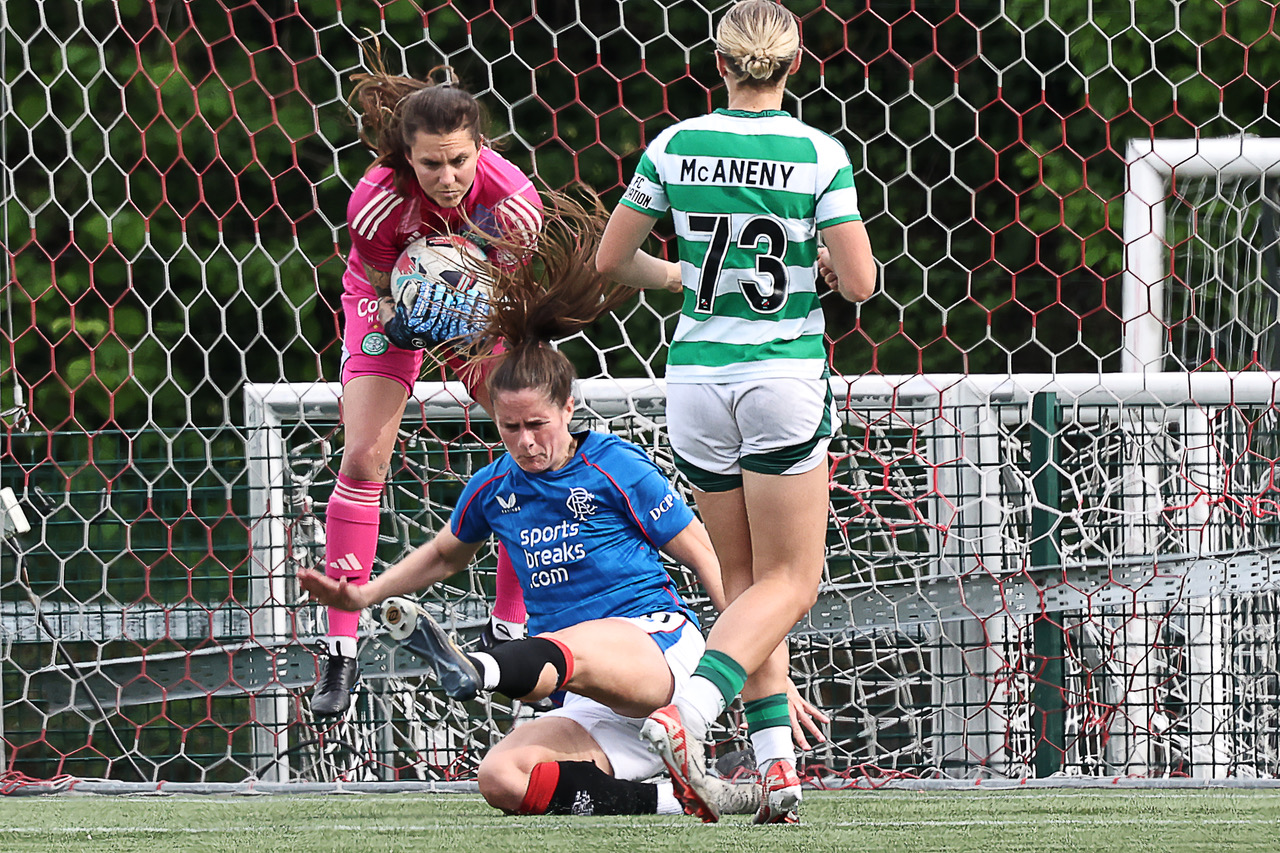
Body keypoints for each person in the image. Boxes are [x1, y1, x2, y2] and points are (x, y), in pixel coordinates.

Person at [298, 194, 768, 819]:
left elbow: (708, 560)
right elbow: (443, 555)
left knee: (569, 648)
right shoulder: (494, 486)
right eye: (509, 427)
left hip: (654, 652)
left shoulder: (614, 464)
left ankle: (479, 669)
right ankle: (679, 799)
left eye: (537, 424)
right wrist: (364, 594)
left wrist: (757, 670)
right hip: (584, 695)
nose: (524, 441)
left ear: (569, 409)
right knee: (502, 778)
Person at [595, 0, 877, 824]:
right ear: (796, 64)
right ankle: (690, 711)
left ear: (717, 63)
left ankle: (776, 767)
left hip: (695, 383)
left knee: (746, 584)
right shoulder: (818, 152)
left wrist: (679, 277)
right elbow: (861, 282)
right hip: (779, 377)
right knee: (793, 580)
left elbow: (612, 258)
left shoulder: (675, 144)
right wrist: (823, 264)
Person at [311, 55, 544, 717]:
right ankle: (340, 649)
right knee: (363, 458)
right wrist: (399, 313)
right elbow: (378, 282)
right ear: (406, 158)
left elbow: (513, 296)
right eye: (431, 165)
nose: (447, 178)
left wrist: (467, 319)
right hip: (385, 301)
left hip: (481, 309)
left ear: (480, 148)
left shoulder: (513, 206)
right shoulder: (375, 202)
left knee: (529, 439)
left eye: (459, 161)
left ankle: (508, 627)